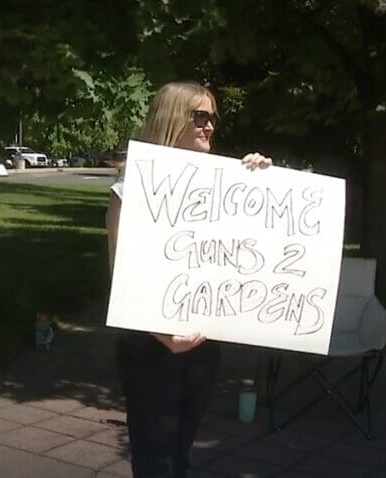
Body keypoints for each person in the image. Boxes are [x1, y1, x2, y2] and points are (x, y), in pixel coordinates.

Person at [105, 81, 271, 478]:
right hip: (151, 346)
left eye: (213, 117)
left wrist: (261, 180)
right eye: (200, 116)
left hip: (201, 343)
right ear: (171, 119)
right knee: (155, 460)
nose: (210, 125)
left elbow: (255, 242)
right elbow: (122, 277)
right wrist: (164, 336)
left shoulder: (221, 187)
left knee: (181, 455)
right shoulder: (130, 192)